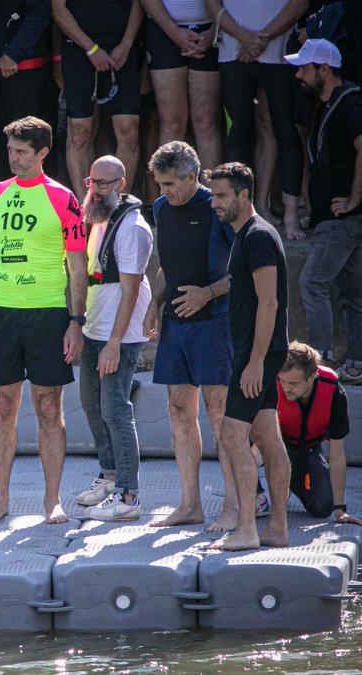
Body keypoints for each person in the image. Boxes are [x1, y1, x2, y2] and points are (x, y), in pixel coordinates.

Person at [0, 116, 87, 526]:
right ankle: (0, 500)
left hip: (47, 312)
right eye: (11, 150)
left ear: (42, 154)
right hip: (1, 310)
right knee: (2, 405)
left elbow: (77, 264)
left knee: (49, 406)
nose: (13, 158)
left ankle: (52, 500)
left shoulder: (63, 198)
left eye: (21, 151)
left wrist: (76, 319)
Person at [142, 141, 242, 531]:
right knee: (179, 411)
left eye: (168, 184)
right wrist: (154, 304)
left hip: (215, 320)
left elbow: (247, 270)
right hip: (176, 324)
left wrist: (207, 293)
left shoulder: (217, 207)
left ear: (190, 177)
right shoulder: (162, 208)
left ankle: (234, 504)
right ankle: (190, 504)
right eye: (159, 184)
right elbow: (168, 265)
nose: (162, 192)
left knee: (220, 414)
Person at [206, 161, 291, 551]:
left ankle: (246, 528)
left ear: (244, 194)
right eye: (214, 195)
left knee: (232, 434)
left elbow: (269, 302)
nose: (215, 203)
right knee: (268, 436)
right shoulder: (242, 235)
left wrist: (255, 361)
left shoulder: (257, 236)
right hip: (256, 349)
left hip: (259, 352)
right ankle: (277, 528)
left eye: (222, 195)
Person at [76, 156, 153, 521]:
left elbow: (131, 290)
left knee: (115, 409)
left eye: (104, 183)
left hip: (118, 334)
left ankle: (128, 495)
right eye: (93, 181)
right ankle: (108, 475)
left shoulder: (132, 227)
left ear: (121, 184)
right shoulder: (95, 217)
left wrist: (114, 343)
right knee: (90, 403)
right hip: (94, 325)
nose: (96, 189)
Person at [286, 39, 362, 385]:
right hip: (332, 218)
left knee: (312, 281)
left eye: (304, 68)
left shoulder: (349, 103)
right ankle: (357, 364)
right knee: (351, 291)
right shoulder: (325, 105)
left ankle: (317, 362)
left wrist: (353, 200)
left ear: (324, 70)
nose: (299, 75)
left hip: (343, 219)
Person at [205, 0, 305, 239]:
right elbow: (211, 5)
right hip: (233, 51)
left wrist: (261, 38)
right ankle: (238, 216)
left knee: (284, 129)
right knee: (239, 132)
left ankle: (286, 216)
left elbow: (300, 4)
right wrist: (244, 37)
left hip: (279, 53)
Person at [52, 0, 144, 200]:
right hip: (78, 46)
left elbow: (139, 3)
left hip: (122, 47)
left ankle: (118, 205)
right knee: (79, 131)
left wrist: (127, 43)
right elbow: (57, 8)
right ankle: (86, 208)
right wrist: (91, 49)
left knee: (129, 129)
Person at [264, 341, 361, 524]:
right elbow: (260, 441)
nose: (286, 388)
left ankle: (294, 481)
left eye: (293, 383)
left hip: (308, 448)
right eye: (283, 381)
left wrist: (340, 510)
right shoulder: (271, 382)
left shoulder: (332, 390)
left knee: (323, 507)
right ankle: (258, 497)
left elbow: (337, 455)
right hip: (273, 444)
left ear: (312, 376)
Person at [0, 0, 52, 184]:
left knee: (24, 138)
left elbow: (40, 13)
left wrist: (14, 52)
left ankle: (29, 191)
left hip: (22, 67)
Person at [139, 0, 221, 168]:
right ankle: (170, 190)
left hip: (210, 29)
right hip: (164, 30)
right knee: (172, 122)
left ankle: (213, 193)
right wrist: (174, 32)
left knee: (206, 121)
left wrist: (214, 30)